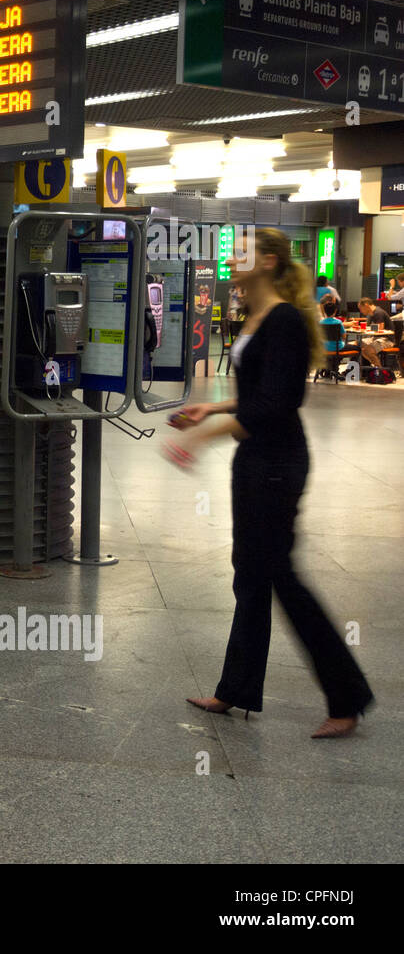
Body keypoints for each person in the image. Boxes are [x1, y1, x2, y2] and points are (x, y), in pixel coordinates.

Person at [163, 229, 373, 739]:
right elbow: (257, 393)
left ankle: (347, 695)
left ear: (269, 262)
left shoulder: (283, 321)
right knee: (250, 576)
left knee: (281, 578)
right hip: (254, 460)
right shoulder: (251, 318)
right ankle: (235, 689)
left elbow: (278, 404)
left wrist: (206, 437)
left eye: (244, 252)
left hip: (277, 463)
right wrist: (212, 407)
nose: (233, 258)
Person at [354, 297, 391, 369]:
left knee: (368, 350)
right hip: (376, 338)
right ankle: (372, 367)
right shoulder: (371, 313)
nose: (361, 311)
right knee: (357, 344)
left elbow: (380, 328)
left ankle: (380, 370)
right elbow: (372, 327)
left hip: (386, 339)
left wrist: (366, 329)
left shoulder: (378, 312)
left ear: (366, 305)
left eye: (361, 308)